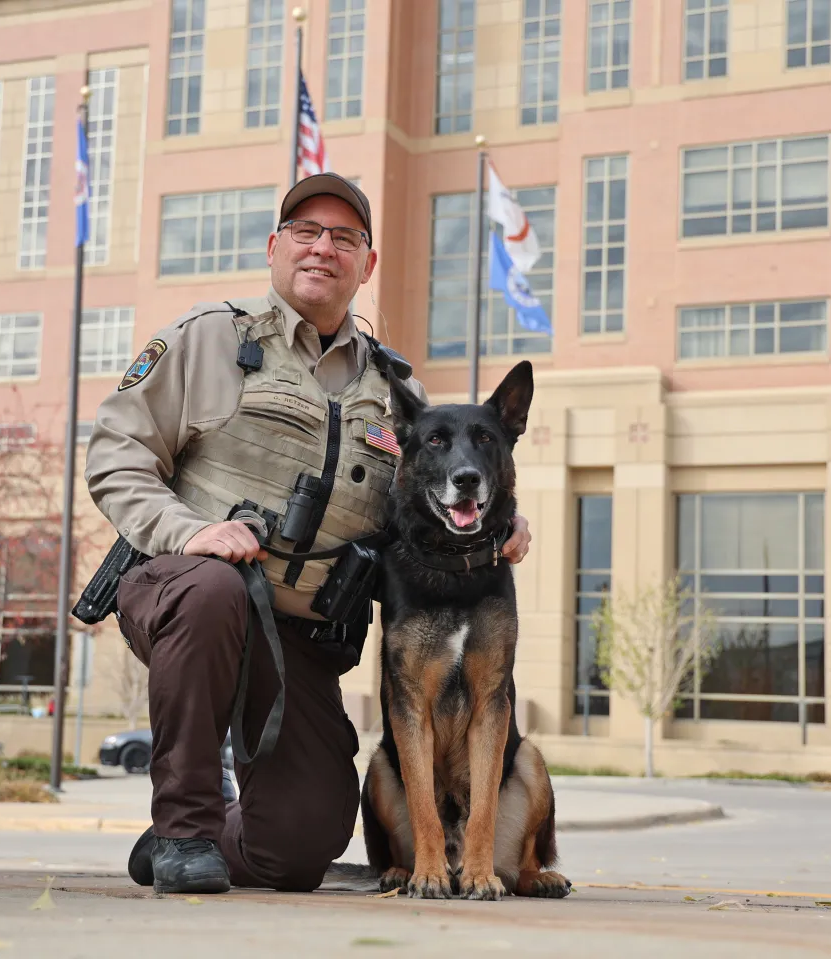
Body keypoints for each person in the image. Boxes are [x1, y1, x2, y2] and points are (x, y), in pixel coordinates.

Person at [84, 173, 532, 895]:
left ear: (367, 264)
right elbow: (115, 453)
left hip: (296, 637)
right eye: (306, 231)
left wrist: (489, 526)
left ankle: (219, 832)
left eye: (345, 237)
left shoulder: (391, 387)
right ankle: (184, 828)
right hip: (186, 591)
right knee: (212, 589)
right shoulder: (209, 338)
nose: (324, 247)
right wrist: (190, 532)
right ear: (274, 247)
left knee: (299, 845)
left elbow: (417, 508)